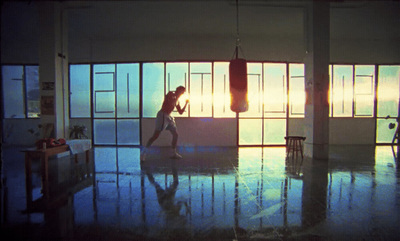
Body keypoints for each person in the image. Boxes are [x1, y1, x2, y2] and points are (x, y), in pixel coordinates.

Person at [141, 86, 189, 161]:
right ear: (178, 90)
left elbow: (180, 112)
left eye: (183, 92)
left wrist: (186, 104)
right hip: (162, 115)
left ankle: (174, 153)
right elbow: (169, 100)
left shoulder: (177, 100)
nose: (182, 94)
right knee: (155, 135)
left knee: (175, 134)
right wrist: (176, 97)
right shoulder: (171, 94)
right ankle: (144, 153)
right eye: (182, 92)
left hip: (169, 117)